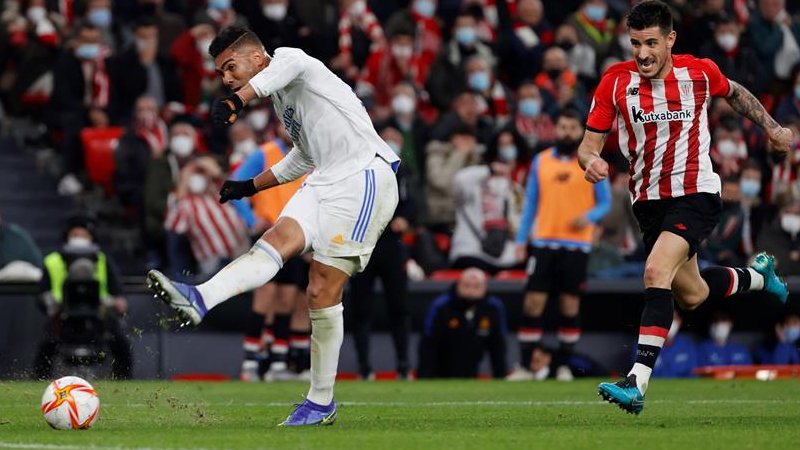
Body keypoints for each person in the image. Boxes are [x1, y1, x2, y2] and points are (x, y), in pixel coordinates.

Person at [146, 26, 399, 426]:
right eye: (221, 73)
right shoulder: (283, 99)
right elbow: (304, 156)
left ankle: (320, 401)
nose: (226, 78)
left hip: (364, 175)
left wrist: (238, 100)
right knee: (276, 239)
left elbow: (283, 69)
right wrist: (251, 185)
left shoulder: (291, 59)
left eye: (231, 67)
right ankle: (200, 297)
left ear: (257, 57)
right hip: (323, 178)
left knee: (321, 287)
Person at [579, 1, 791, 414]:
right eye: (635, 43)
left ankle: (636, 382)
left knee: (655, 272)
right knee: (692, 294)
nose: (642, 53)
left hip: (696, 193)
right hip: (648, 203)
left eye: (651, 43)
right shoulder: (614, 82)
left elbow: (736, 93)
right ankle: (758, 277)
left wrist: (772, 127)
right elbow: (588, 145)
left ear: (670, 39)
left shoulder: (698, 72)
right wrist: (591, 162)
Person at [509, 109, 611, 382]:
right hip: (544, 242)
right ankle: (525, 366)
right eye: (562, 127)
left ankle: (564, 366)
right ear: (555, 129)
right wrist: (521, 240)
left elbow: (605, 203)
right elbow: (531, 203)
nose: (567, 133)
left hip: (577, 245)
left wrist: (588, 217)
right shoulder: (541, 161)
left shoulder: (592, 163)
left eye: (572, 128)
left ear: (581, 131)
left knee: (569, 305)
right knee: (533, 303)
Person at [35, 214, 132, 379]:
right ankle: (39, 380)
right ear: (67, 237)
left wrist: (118, 302)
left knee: (121, 342)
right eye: (75, 235)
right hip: (63, 315)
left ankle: (123, 380)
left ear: (91, 238)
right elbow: (42, 295)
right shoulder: (52, 261)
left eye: (83, 235)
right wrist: (52, 304)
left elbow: (118, 292)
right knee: (46, 344)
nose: (79, 239)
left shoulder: (102, 259)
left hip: (99, 314)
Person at [417, 268, 508, 379]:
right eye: (466, 285)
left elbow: (498, 346)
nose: (471, 291)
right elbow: (428, 343)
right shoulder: (441, 305)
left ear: (484, 287)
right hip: (441, 369)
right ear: (458, 284)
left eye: (476, 286)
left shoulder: (493, 307)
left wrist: (501, 376)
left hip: (472, 368)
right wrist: (425, 376)